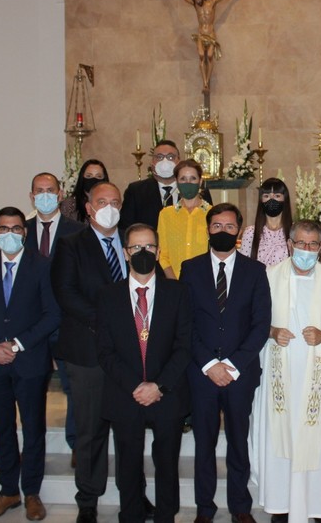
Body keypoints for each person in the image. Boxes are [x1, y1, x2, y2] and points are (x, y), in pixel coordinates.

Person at [52, 182, 154, 523]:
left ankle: (134, 495)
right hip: (88, 353)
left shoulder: (132, 242)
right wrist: (111, 323)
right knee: (91, 430)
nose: (109, 207)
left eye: (115, 201)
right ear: (89, 207)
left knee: (130, 431)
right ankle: (88, 499)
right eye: (102, 201)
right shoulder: (70, 245)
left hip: (131, 355)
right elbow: (66, 294)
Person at [252, 220, 321, 523]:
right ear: (289, 245)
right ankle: (281, 507)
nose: (306, 250)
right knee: (280, 440)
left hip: (319, 382)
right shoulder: (268, 277)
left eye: (313, 245)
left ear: (320, 248)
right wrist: (272, 331)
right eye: (301, 244)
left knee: (320, 442)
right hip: (278, 379)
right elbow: (251, 320)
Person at [0, 207, 59, 522]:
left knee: (33, 428)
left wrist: (17, 344)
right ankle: (8, 491)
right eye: (3, 229)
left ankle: (31, 491)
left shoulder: (42, 265)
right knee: (3, 428)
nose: (9, 234)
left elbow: (52, 314)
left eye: (16, 228)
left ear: (25, 232)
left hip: (29, 361)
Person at [181, 203, 271, 523]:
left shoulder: (255, 271)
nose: (223, 231)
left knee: (238, 442)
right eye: (217, 226)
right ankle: (205, 508)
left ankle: (240, 507)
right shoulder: (190, 269)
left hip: (239, 374)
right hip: (201, 373)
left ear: (239, 231)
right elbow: (185, 323)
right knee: (203, 444)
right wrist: (209, 364)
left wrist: (232, 365)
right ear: (208, 229)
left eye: (229, 226)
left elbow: (261, 324)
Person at [97, 223, 193, 523]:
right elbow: (105, 351)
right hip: (125, 394)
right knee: (127, 465)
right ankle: (131, 515)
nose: (143, 252)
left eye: (149, 247)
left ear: (158, 251)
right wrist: (135, 386)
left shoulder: (177, 292)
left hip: (167, 394)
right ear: (126, 253)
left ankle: (166, 516)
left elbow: (185, 346)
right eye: (136, 247)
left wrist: (158, 385)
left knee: (167, 463)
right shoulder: (108, 295)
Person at [25, 172, 86, 466]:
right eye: (39, 190)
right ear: (31, 196)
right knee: (30, 388)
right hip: (30, 324)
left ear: (60, 194)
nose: (45, 195)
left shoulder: (78, 231)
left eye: (50, 190)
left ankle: (76, 443)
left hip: (66, 322)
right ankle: (31, 444)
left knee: (73, 385)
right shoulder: (20, 231)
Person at [120, 139, 213, 231]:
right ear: (152, 162)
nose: (165, 162)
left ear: (179, 161)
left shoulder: (197, 189)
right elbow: (126, 228)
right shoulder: (136, 191)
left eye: (170, 157)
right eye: (159, 157)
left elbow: (210, 222)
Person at [171, 0, 243, 93]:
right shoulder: (195, 5)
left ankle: (207, 81)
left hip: (210, 34)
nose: (197, 1)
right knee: (201, 55)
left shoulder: (212, 2)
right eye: (195, 0)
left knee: (209, 56)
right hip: (201, 34)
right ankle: (205, 83)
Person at [157, 159, 211, 279]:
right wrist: (174, 282)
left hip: (204, 279)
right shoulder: (166, 214)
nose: (188, 183)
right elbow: (162, 254)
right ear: (176, 182)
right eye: (183, 179)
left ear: (200, 181)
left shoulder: (212, 213)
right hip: (174, 280)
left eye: (193, 178)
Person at [240, 177, 293, 267]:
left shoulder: (294, 231)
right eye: (266, 196)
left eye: (277, 196)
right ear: (261, 200)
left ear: (285, 199)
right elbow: (243, 266)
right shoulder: (250, 232)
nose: (271, 200)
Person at [60, 159, 109, 223]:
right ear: (82, 178)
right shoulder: (70, 205)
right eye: (89, 176)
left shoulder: (110, 204)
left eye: (98, 176)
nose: (93, 180)